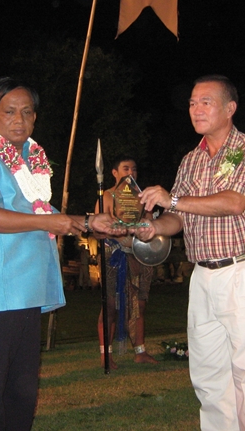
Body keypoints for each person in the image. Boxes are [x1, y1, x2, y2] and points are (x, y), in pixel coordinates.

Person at [0, 76, 120, 430]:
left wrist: (88, 221)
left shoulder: (31, 159)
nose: (19, 119)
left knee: (21, 397)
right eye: (9, 111)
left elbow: (44, 213)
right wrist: (55, 221)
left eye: (27, 112)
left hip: (27, 293)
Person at [135, 75, 245, 430]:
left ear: (230, 108)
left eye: (206, 102)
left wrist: (172, 199)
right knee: (209, 375)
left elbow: (234, 203)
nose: (196, 109)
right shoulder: (191, 160)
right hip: (202, 276)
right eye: (191, 103)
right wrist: (154, 228)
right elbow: (178, 218)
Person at [95, 156, 157, 368]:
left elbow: (150, 223)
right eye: (126, 168)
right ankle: (106, 354)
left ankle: (140, 351)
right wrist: (118, 236)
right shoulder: (107, 196)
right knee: (111, 305)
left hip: (140, 254)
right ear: (114, 173)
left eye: (134, 169)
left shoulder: (142, 198)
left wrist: (141, 234)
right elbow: (98, 227)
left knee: (139, 304)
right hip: (114, 255)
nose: (131, 173)